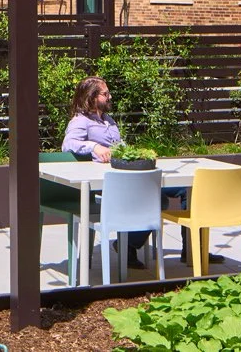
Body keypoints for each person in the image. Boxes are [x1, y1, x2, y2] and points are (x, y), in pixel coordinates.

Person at [60, 76, 182, 267]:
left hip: (130, 173)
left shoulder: (108, 120)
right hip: (112, 183)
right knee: (158, 200)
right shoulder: (81, 121)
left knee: (182, 189)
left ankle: (193, 250)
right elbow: (68, 144)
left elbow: (119, 146)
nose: (110, 96)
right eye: (105, 93)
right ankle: (128, 246)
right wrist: (94, 147)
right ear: (92, 97)